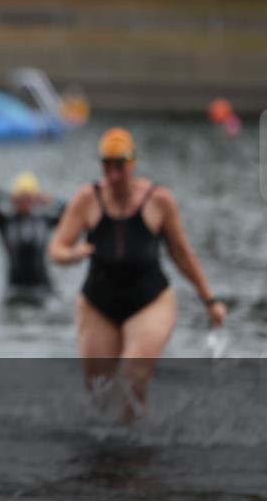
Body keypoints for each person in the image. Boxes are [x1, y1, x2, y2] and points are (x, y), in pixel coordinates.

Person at [48, 128, 226, 416]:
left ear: (132, 163)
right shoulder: (87, 199)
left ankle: (136, 450)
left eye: (119, 165)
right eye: (106, 165)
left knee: (132, 379)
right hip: (98, 302)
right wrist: (71, 255)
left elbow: (181, 254)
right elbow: (56, 247)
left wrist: (210, 300)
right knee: (99, 390)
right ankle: (106, 452)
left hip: (149, 301)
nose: (113, 174)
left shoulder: (159, 201)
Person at [0, 171, 64, 305]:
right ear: (15, 198)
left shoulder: (44, 222)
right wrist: (8, 196)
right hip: (14, 290)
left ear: (35, 199)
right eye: (22, 198)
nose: (25, 202)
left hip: (42, 290)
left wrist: (49, 200)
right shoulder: (6, 222)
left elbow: (69, 211)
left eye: (29, 198)